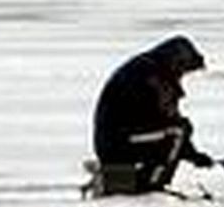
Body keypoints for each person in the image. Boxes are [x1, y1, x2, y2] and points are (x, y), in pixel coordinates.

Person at [91, 35, 216, 195]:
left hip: (115, 140)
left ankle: (138, 181)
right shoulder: (155, 77)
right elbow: (168, 122)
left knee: (176, 132)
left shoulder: (147, 68)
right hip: (118, 141)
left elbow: (163, 122)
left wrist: (194, 155)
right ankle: (151, 186)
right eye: (183, 69)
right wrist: (189, 151)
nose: (182, 74)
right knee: (178, 132)